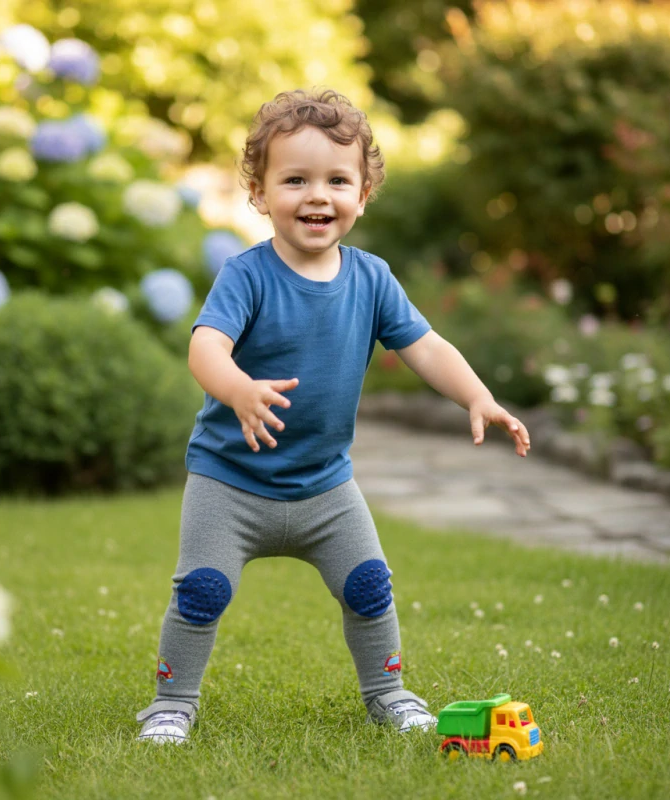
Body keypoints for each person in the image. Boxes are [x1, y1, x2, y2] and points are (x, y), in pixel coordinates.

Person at [136, 88, 531, 744]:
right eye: (295, 180)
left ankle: (389, 693)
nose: (317, 196)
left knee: (370, 586)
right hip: (229, 483)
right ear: (260, 195)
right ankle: (171, 704)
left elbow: (425, 346)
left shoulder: (372, 279)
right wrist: (236, 389)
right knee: (201, 591)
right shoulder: (247, 275)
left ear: (364, 193)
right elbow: (205, 345)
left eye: (336, 181)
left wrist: (477, 396)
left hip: (325, 487)